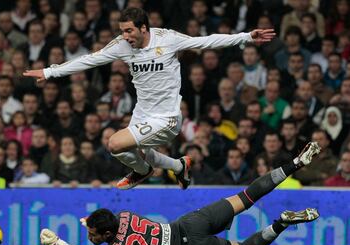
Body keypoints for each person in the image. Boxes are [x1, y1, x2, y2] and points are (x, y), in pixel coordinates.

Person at [24, 7, 276, 190]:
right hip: (142, 113)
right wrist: (50, 71)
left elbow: (206, 41)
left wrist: (245, 37)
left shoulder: (167, 39)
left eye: (129, 31)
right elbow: (89, 59)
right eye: (122, 31)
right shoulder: (121, 45)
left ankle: (142, 172)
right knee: (140, 152)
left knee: (113, 144)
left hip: (167, 117)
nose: (125, 36)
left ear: (143, 28)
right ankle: (179, 166)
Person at [40, 142, 321, 245]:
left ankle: (281, 223)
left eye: (92, 232)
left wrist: (57, 244)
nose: (89, 236)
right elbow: (109, 225)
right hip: (190, 222)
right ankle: (295, 163)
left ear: (108, 234)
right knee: (247, 196)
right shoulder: (122, 215)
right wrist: (92, 221)